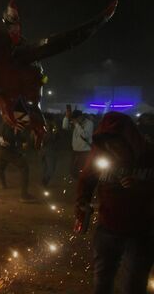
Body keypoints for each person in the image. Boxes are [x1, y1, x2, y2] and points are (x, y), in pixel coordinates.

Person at [75, 112, 153, 294]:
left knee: (133, 286)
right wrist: (82, 202)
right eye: (107, 143)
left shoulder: (149, 156)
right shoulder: (101, 154)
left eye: (116, 142)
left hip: (141, 233)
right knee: (102, 283)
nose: (111, 148)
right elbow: (86, 180)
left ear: (129, 138)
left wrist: (141, 186)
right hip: (107, 229)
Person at [63, 109, 94, 179]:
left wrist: (76, 124)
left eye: (76, 118)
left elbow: (85, 135)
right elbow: (65, 127)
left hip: (85, 150)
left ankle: (82, 182)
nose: (75, 120)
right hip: (75, 150)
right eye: (74, 118)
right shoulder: (75, 123)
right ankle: (77, 181)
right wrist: (66, 117)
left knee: (82, 169)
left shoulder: (89, 123)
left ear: (81, 117)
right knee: (72, 169)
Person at [40, 113, 64, 187]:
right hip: (49, 151)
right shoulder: (49, 128)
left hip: (44, 151)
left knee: (46, 167)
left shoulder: (43, 127)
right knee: (50, 169)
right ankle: (45, 181)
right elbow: (52, 138)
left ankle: (44, 181)